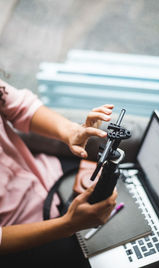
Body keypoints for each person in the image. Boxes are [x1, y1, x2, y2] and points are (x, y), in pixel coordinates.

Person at [0, 79, 117, 265]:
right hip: (27, 233)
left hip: (46, 171)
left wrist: (72, 132)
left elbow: (21, 108)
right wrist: (68, 225)